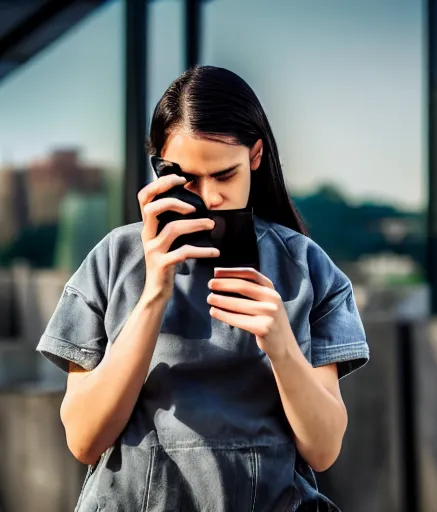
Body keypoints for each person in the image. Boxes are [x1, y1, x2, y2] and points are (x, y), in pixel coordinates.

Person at [36, 65, 370, 512]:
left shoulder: (305, 268)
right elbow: (84, 440)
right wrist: (154, 291)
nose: (209, 197)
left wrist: (281, 345)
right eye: (188, 179)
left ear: (255, 156)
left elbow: (324, 449)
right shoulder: (115, 259)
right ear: (160, 169)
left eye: (225, 175)